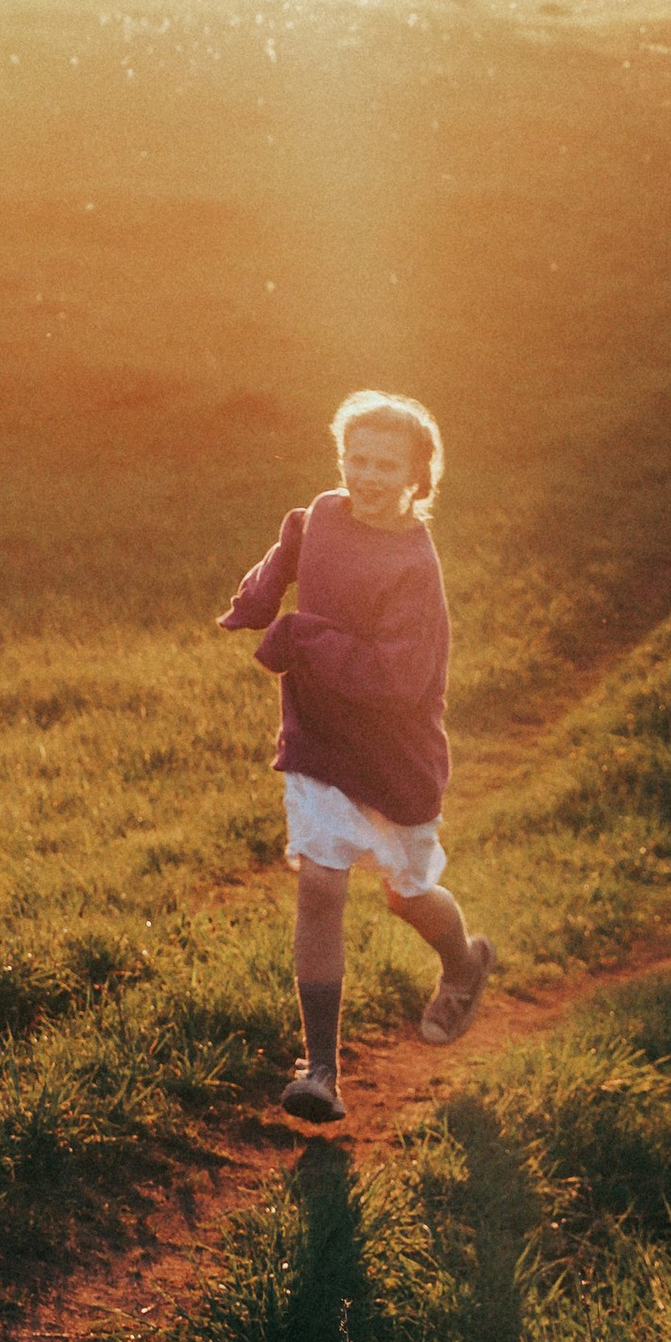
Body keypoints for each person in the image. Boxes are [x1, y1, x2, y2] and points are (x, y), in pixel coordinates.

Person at [218, 388, 493, 1124]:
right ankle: (321, 1069)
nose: (366, 476)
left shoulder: (414, 567)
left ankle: (464, 962)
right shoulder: (328, 512)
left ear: (417, 479)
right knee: (321, 887)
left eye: (385, 465)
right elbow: (297, 540)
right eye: (356, 458)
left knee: (405, 894)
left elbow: (395, 680)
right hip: (317, 740)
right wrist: (258, 595)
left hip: (394, 757)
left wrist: (298, 636)